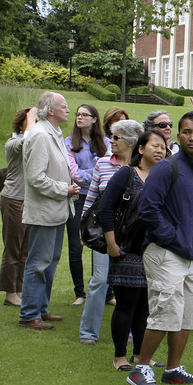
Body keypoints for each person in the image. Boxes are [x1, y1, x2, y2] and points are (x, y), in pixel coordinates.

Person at [126, 110, 193, 385]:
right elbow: (148, 210)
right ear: (177, 136)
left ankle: (173, 370)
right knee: (166, 310)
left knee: (187, 311)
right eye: (186, 132)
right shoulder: (167, 167)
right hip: (164, 252)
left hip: (189, 253)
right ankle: (141, 367)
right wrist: (173, 238)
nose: (192, 137)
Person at [98, 128, 167, 371]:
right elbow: (105, 209)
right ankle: (120, 357)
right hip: (127, 249)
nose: (160, 150)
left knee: (145, 307)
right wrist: (111, 244)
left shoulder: (165, 177)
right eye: (154, 145)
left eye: (163, 146)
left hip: (155, 251)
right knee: (126, 304)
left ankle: (140, 354)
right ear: (140, 149)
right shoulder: (126, 175)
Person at [18, 92, 81, 330]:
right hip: (45, 211)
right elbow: (35, 178)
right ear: (50, 110)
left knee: (50, 261)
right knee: (39, 262)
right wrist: (64, 189)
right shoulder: (39, 135)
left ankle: (40, 309)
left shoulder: (53, 133)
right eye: (63, 106)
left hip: (57, 210)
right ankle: (29, 314)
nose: (68, 110)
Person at [78, 120, 142, 344]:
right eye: (111, 137)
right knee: (99, 280)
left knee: (134, 284)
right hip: (107, 232)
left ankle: (134, 333)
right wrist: (83, 229)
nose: (111, 141)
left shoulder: (145, 167)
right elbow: (92, 197)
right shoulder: (103, 164)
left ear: (132, 142)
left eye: (116, 138)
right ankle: (88, 332)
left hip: (135, 235)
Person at [65, 103, 109, 306]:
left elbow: (111, 166)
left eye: (85, 114)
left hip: (100, 199)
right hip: (78, 198)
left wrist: (91, 175)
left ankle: (105, 292)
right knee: (76, 246)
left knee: (101, 245)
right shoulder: (69, 143)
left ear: (94, 119)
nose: (79, 117)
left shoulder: (106, 143)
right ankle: (79, 292)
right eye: (78, 114)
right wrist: (97, 174)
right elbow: (74, 173)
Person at [0, 107, 37, 307]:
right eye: (33, 120)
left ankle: (19, 289)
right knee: (13, 248)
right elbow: (26, 141)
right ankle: (10, 292)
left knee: (25, 249)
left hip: (29, 201)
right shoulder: (13, 143)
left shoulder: (35, 140)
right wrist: (30, 117)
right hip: (13, 199)